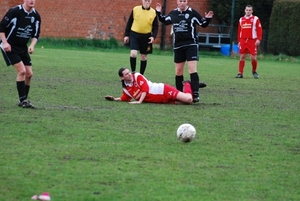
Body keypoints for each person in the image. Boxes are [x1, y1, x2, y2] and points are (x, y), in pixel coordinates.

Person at [155, 0, 213, 102]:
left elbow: (202, 23)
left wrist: (208, 19)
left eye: (184, 1)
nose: (182, 3)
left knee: (192, 69)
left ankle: (195, 94)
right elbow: (164, 20)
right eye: (180, 1)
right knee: (178, 71)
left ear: (187, 2)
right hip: (178, 46)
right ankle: (179, 94)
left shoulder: (192, 13)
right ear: (177, 2)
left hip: (191, 45)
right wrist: (158, 12)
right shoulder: (173, 13)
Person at [0, 0, 41, 108]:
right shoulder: (15, 11)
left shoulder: (36, 16)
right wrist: (5, 43)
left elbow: (36, 35)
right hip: (10, 46)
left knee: (29, 74)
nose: (32, 1)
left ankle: (24, 100)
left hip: (22, 47)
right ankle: (23, 100)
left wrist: (32, 45)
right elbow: (1, 27)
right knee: (22, 71)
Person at [104, 68, 194, 104]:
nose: (129, 74)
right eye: (126, 74)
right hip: (160, 100)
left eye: (129, 72)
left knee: (189, 100)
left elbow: (145, 89)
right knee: (186, 103)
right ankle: (189, 87)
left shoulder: (137, 76)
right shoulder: (126, 88)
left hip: (163, 90)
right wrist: (114, 99)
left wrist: (139, 102)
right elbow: (125, 98)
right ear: (122, 78)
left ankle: (187, 84)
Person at [124, 0, 159, 75]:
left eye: (149, 1)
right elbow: (129, 23)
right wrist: (126, 35)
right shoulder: (135, 9)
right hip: (134, 34)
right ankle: (133, 73)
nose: (147, 2)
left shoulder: (153, 12)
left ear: (151, 2)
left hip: (146, 36)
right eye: (145, 0)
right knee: (133, 53)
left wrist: (153, 37)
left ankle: (141, 75)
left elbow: (155, 27)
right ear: (142, 1)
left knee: (143, 56)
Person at [235, 5, 262, 79]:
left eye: (250, 10)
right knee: (242, 57)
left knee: (253, 58)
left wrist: (258, 39)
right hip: (243, 40)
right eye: (247, 10)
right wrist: (239, 41)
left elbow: (259, 29)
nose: (248, 11)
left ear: (252, 11)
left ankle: (254, 71)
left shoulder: (255, 19)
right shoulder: (241, 19)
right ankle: (240, 73)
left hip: (252, 40)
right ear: (245, 10)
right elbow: (239, 31)